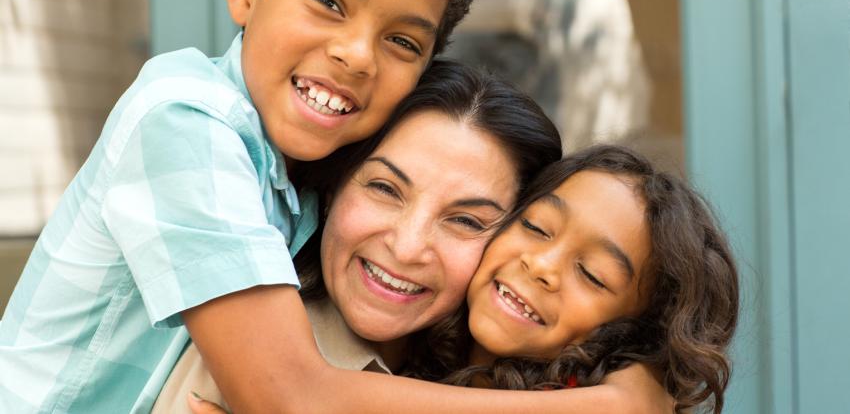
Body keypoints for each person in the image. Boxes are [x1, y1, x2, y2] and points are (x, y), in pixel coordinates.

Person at [0, 0, 486, 412]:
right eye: (329, 2)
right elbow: (286, 397)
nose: (357, 56)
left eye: (403, 41)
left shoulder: (316, 177)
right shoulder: (182, 118)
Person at [161, 65, 675, 414]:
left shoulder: (459, 366)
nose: (407, 247)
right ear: (334, 185)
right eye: (385, 188)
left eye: (466, 221)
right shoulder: (257, 350)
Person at [403, 145, 739, 414]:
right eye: (536, 227)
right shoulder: (407, 342)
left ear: (635, 334)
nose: (541, 266)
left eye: (592, 275)